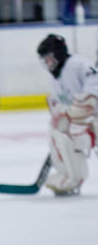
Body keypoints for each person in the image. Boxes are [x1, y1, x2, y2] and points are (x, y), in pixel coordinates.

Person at [37, 33, 97, 196]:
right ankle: (69, 176)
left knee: (70, 134)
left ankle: (74, 177)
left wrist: (83, 109)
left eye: (50, 58)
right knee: (57, 132)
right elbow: (60, 103)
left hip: (93, 116)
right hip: (83, 119)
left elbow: (93, 89)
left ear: (59, 54)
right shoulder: (56, 76)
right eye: (45, 60)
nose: (47, 63)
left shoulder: (78, 65)